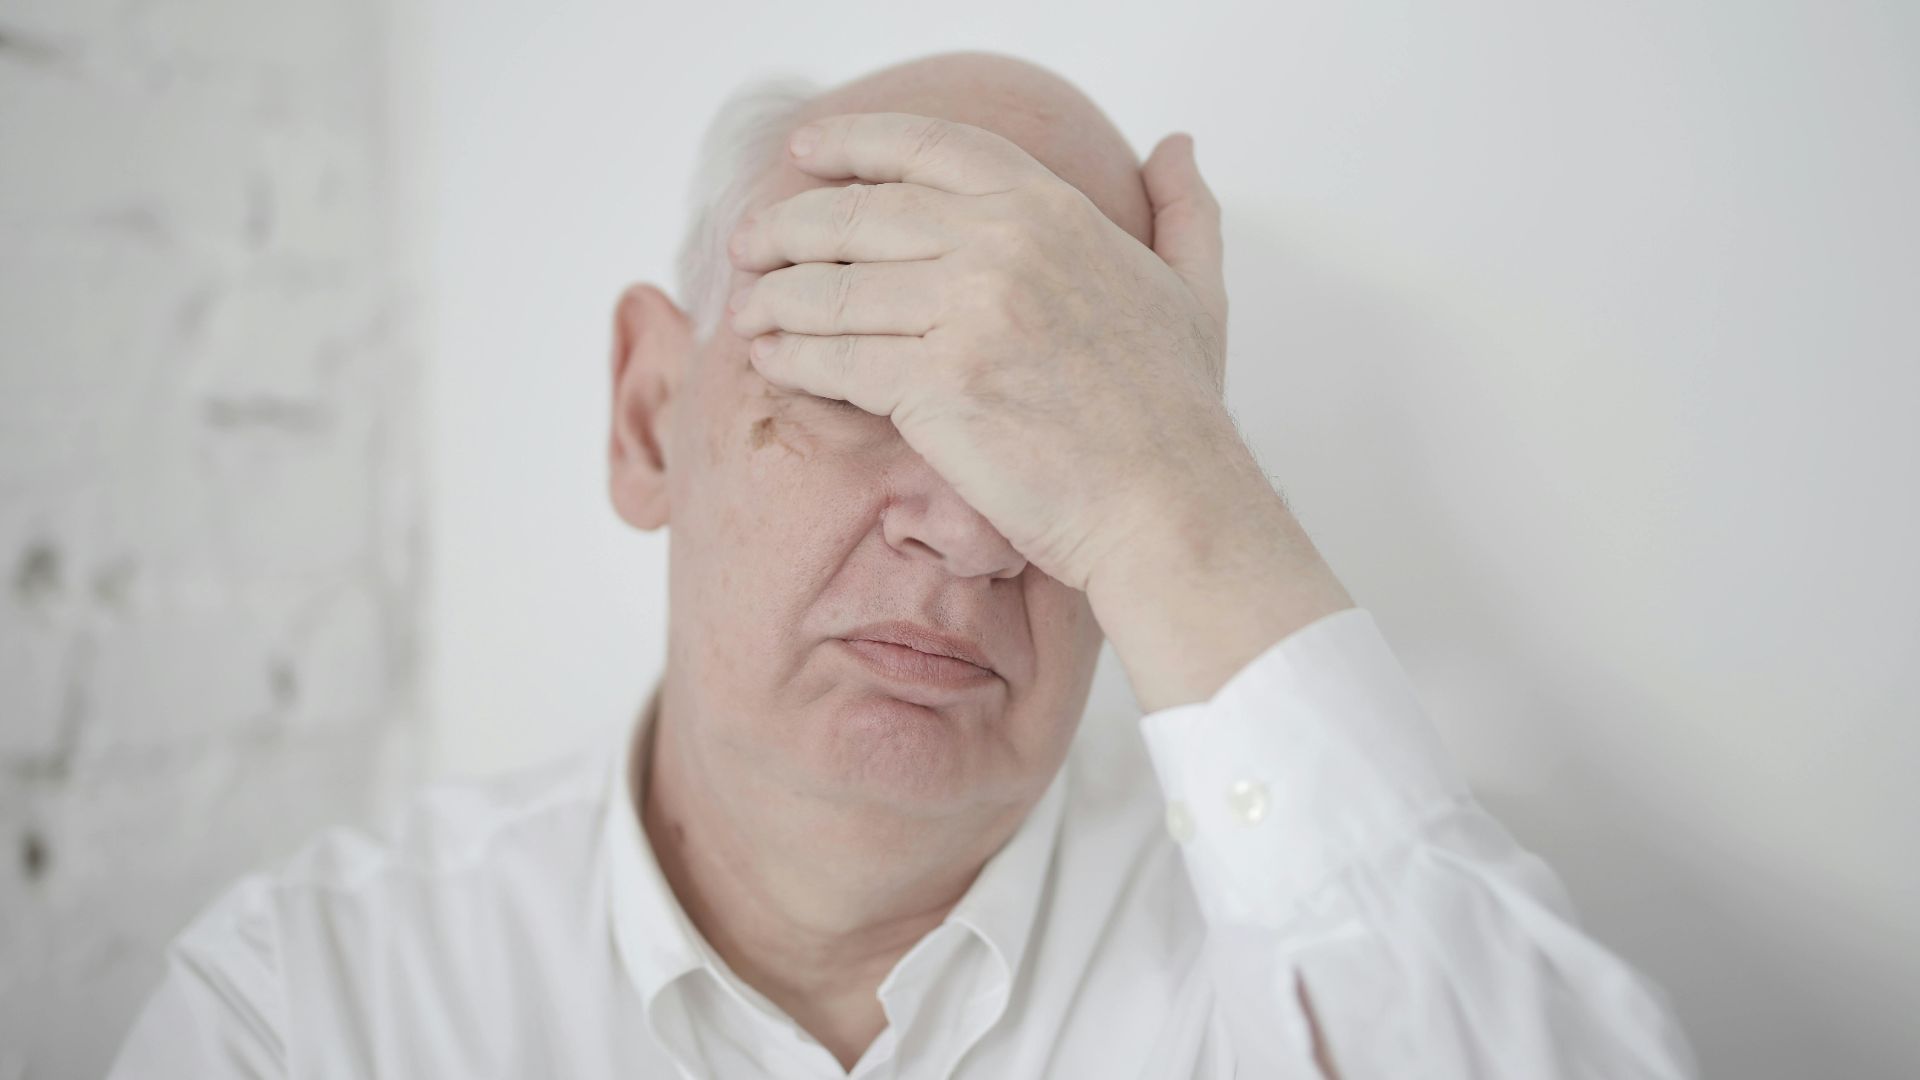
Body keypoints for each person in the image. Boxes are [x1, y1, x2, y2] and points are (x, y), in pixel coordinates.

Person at [109, 51, 1697, 1078]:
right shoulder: (316, 1010)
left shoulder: (1305, 977)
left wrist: (1178, 499)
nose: (969, 527)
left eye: (1064, 427)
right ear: (654, 417)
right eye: (860, 377)